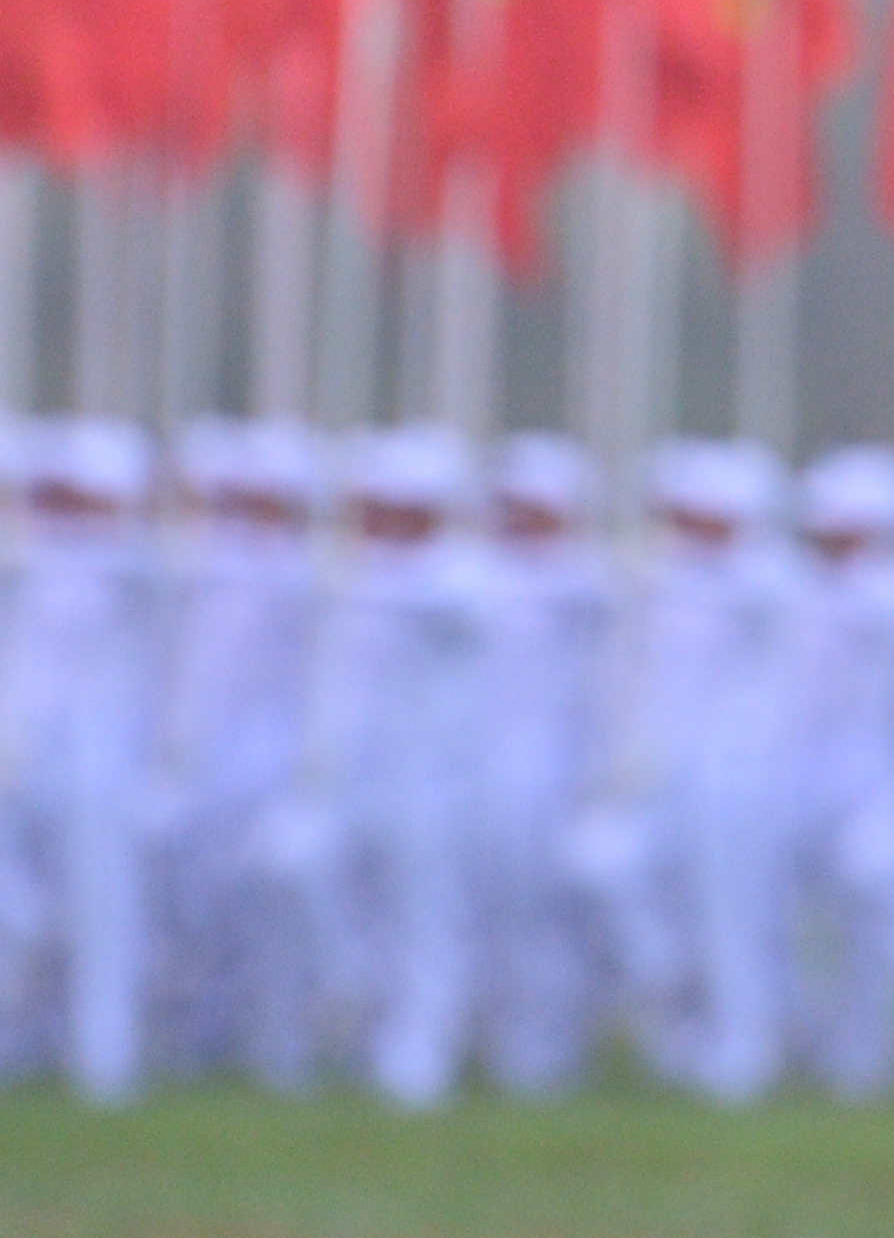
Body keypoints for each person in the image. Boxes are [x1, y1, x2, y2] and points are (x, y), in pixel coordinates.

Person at [298, 424, 488, 1107]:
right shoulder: (358, 571)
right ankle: (354, 1001)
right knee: (296, 866)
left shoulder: (462, 573)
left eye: (396, 504)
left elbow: (445, 603)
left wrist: (357, 577)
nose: (379, 518)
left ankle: (420, 1054)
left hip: (434, 776)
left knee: (425, 919)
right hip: (356, 772)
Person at [612, 438, 798, 1103]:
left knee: (733, 916)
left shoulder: (767, 576)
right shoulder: (664, 578)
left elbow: (756, 586)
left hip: (742, 777)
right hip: (665, 777)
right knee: (609, 871)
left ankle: (744, 1044)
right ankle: (680, 1012)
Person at [149, 418, 324, 1081]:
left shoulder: (300, 570)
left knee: (272, 908)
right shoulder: (193, 565)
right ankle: (199, 1034)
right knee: (197, 907)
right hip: (201, 762)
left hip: (274, 763)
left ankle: (283, 1046)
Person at [0, 418, 159, 1102]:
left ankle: (104, 1058)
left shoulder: (134, 564)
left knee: (102, 912)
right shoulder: (31, 557)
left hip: (101, 759)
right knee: (20, 911)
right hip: (23, 753)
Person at [784, 444, 894, 1097]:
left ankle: (867, 1050)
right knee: (796, 921)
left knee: (866, 913)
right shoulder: (802, 589)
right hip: (796, 772)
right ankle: (809, 1039)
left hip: (869, 769)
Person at [474, 433, 615, 1094]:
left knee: (544, 918)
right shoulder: (485, 575)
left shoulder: (580, 579)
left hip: (555, 774)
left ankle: (548, 1051)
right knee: (498, 913)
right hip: (484, 770)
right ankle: (509, 1044)